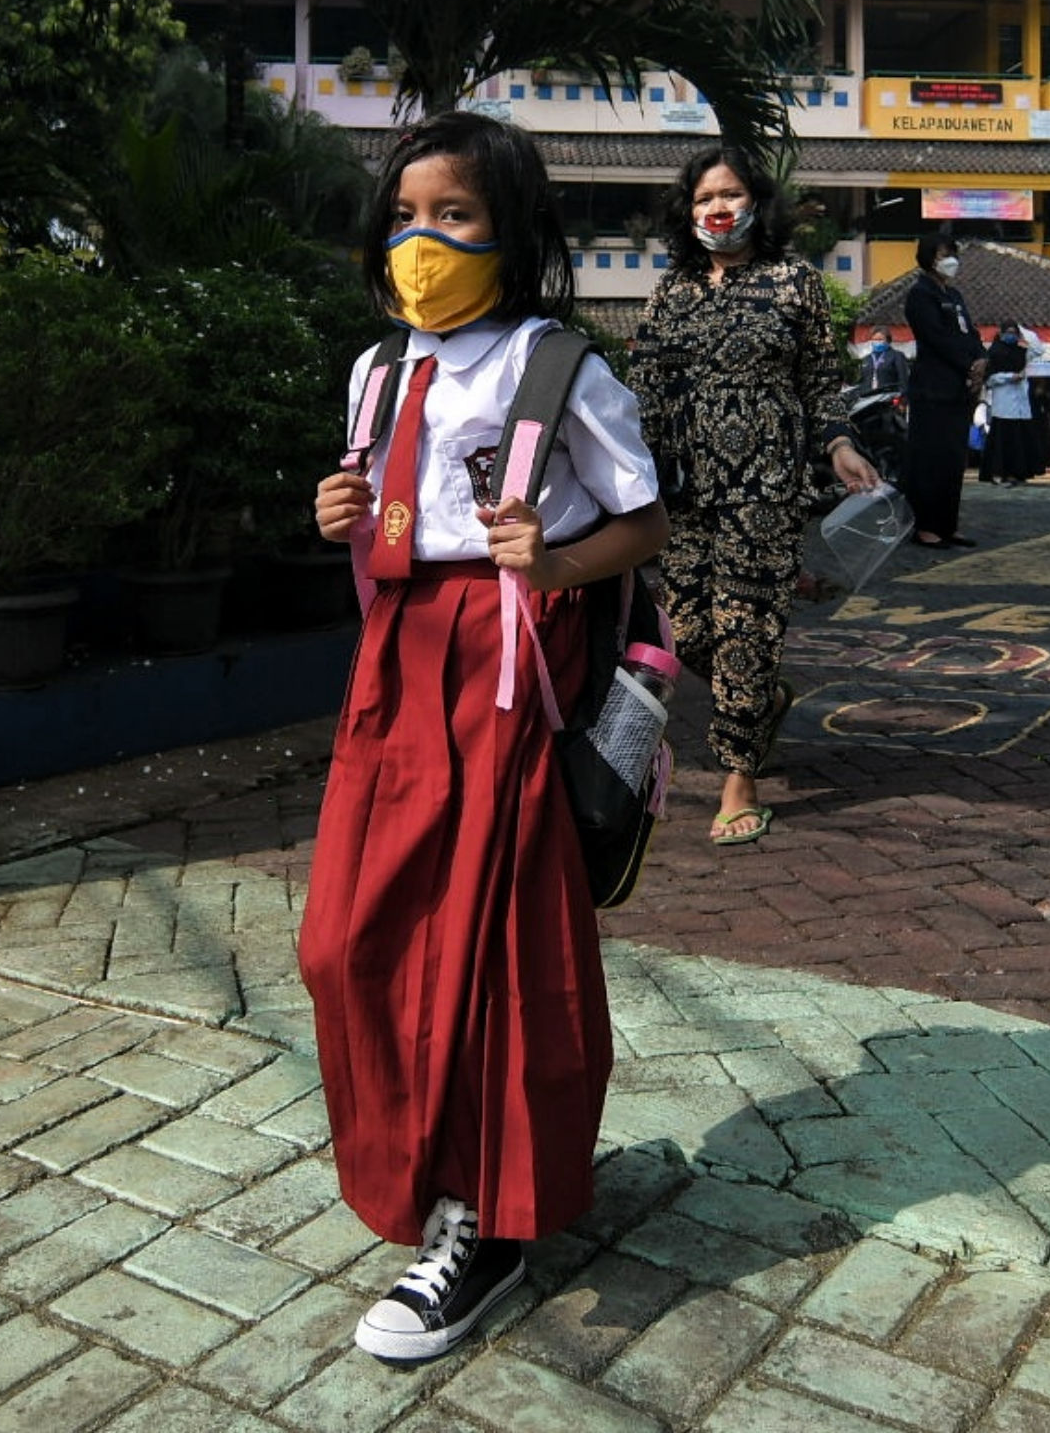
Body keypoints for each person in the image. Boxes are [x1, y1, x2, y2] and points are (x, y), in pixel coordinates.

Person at [305, 113, 669, 1367]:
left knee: (492, 940)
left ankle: (487, 1217)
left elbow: (643, 518)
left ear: (512, 235)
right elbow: (382, 506)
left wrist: (552, 553)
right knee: (348, 937)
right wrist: (338, 506)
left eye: (454, 215)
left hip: (511, 666)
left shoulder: (560, 366)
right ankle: (421, 1167)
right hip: (395, 661)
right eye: (407, 213)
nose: (424, 239)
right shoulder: (377, 370)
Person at [627, 145, 882, 850]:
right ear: (688, 211)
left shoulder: (793, 282)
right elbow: (639, 388)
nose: (718, 208)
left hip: (764, 488)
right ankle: (764, 699)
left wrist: (838, 445)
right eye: (705, 197)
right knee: (690, 632)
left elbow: (820, 382)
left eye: (732, 194)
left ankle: (740, 778)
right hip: (680, 492)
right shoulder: (671, 289)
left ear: (756, 203)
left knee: (745, 626)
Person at [901, 230, 986, 546]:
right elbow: (936, 338)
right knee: (930, 459)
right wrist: (967, 363)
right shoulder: (920, 295)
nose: (949, 261)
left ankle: (948, 524)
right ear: (927, 259)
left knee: (953, 459)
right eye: (941, 255)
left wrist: (980, 360)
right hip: (932, 389)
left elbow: (971, 334)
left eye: (952, 254)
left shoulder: (955, 296)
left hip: (957, 391)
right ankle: (926, 526)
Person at [977, 329, 1039, 484]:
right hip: (1002, 408)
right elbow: (989, 380)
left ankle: (1017, 474)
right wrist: (1010, 377)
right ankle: (997, 473)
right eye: (1008, 332)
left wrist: (1023, 332)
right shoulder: (994, 353)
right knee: (1000, 444)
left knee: (1018, 443)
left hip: (1020, 407)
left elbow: (1039, 349)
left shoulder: (1022, 353)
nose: (1011, 335)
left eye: (1014, 332)